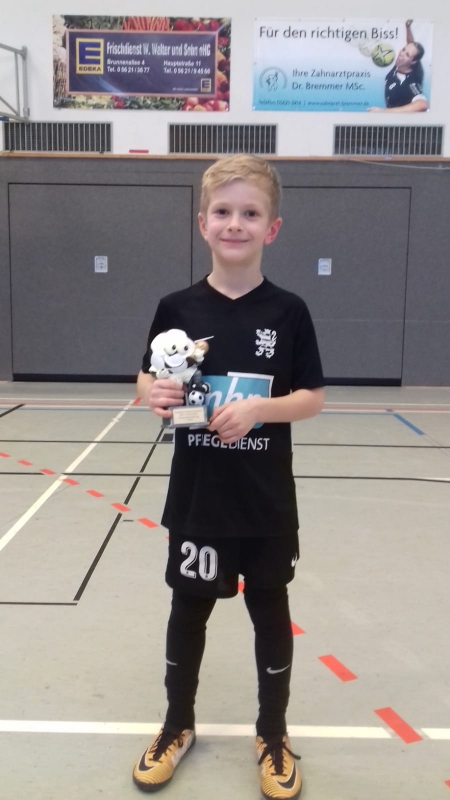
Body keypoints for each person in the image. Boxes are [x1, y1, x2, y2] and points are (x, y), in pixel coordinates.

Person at [133, 154, 325, 799]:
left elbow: (312, 398)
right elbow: (146, 377)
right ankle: (176, 726)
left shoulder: (289, 311)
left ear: (272, 227)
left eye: (250, 213)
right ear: (202, 223)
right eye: (222, 211)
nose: (234, 223)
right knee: (188, 610)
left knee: (270, 611)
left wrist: (259, 409)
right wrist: (154, 393)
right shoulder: (176, 307)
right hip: (199, 498)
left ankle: (273, 733)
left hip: (266, 502)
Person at [368, 20, 429, 112]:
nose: (401, 54)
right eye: (403, 49)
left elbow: (423, 104)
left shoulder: (410, 82)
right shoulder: (401, 65)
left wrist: (384, 111)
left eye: (407, 55)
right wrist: (408, 28)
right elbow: (411, 46)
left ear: (413, 61)